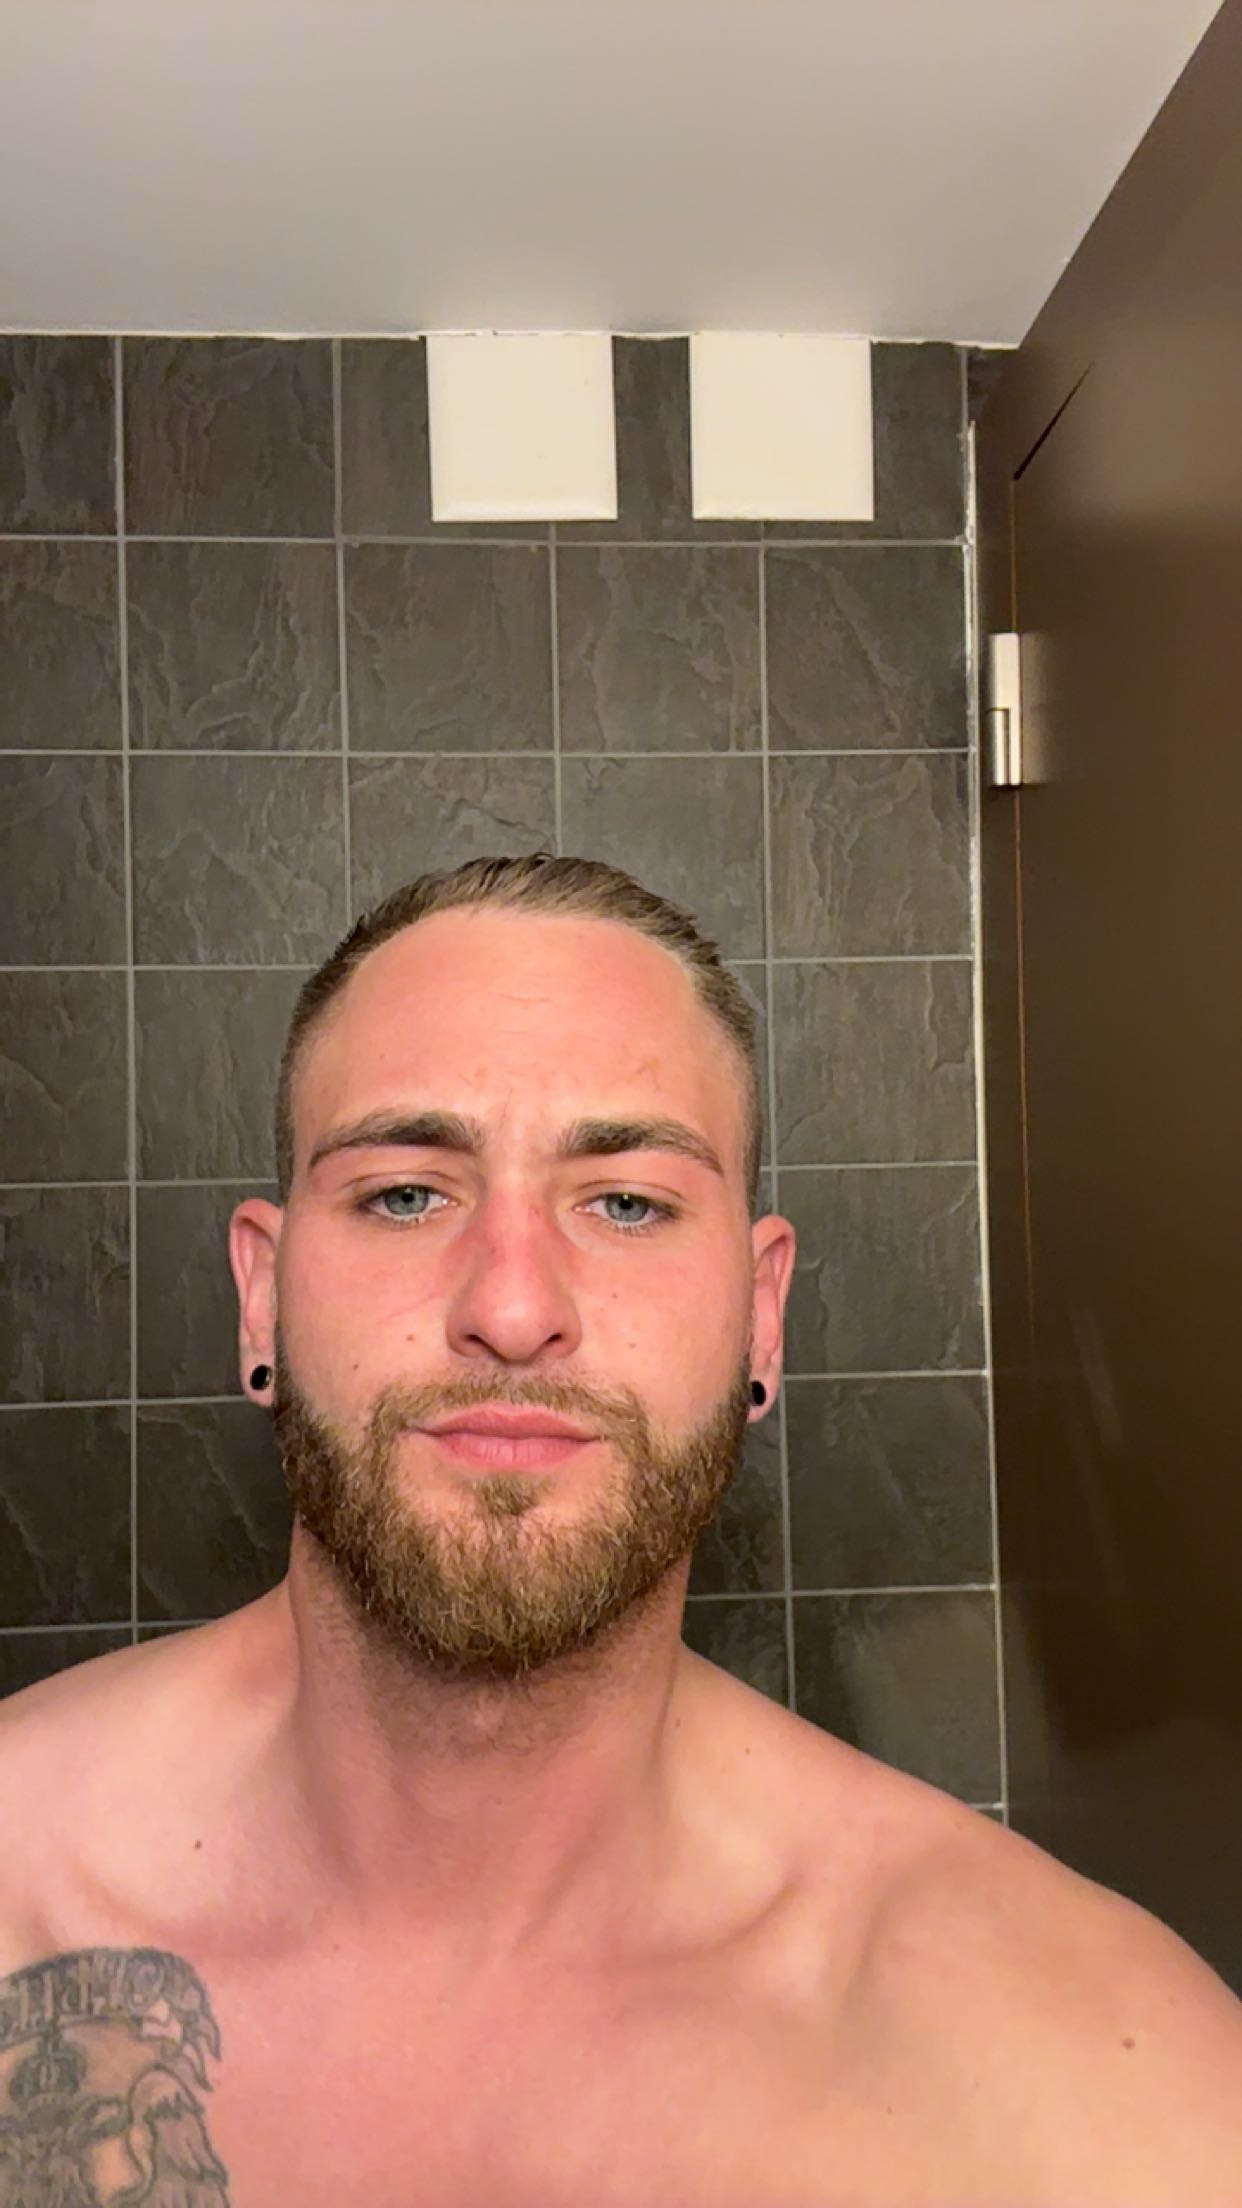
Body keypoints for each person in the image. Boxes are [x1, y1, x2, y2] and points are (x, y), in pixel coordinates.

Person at [1, 852, 1239, 2208]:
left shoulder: (1089, 2086)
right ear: (263, 1292)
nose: (512, 1309)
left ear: (760, 1315)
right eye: (406, 1193)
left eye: (629, 1203)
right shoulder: (25, 1880)